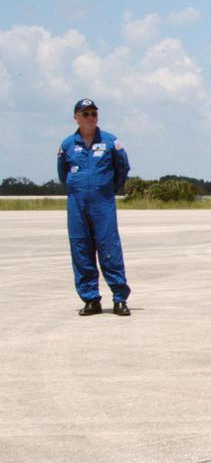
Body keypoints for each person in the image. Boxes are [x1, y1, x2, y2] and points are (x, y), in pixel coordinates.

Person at [57, 98, 132, 316]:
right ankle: (91, 299)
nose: (91, 117)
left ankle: (119, 298)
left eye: (93, 113)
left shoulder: (110, 142)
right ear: (76, 117)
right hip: (77, 204)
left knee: (109, 249)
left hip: (103, 204)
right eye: (86, 113)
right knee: (81, 249)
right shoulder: (67, 145)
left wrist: (107, 189)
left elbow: (122, 168)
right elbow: (63, 173)